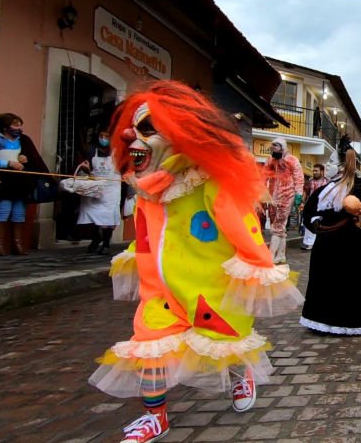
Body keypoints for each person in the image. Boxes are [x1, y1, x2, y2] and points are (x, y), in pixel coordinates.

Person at [89, 81, 303, 443]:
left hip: (212, 289)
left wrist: (258, 270)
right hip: (163, 292)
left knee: (225, 346)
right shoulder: (147, 190)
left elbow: (243, 230)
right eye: (132, 132)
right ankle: (154, 417)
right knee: (148, 347)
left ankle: (240, 376)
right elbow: (143, 237)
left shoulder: (210, 183)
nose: (132, 140)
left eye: (147, 130)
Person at [300, 139, 361, 335]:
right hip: (326, 248)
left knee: (349, 282)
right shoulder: (325, 191)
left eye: (330, 163)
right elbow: (309, 212)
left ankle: (349, 321)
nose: (327, 167)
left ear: (340, 166)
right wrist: (315, 223)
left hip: (352, 247)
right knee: (326, 283)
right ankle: (322, 320)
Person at [0, 112, 50, 256]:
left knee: (19, 213)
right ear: (5, 127)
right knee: (2, 211)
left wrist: (26, 159)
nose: (19, 128)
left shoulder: (24, 140)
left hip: (21, 181)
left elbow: (33, 158)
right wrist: (8, 163)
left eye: (20, 125)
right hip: (3, 180)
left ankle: (18, 244)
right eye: (15, 124)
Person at [77, 130, 122, 255]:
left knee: (108, 218)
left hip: (111, 189)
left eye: (106, 136)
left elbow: (125, 168)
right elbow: (86, 167)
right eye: (101, 136)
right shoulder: (91, 151)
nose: (103, 139)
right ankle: (96, 238)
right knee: (91, 214)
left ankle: (106, 244)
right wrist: (86, 169)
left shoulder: (117, 152)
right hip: (95, 187)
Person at [264, 137, 304, 264]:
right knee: (277, 226)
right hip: (272, 197)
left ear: (283, 147)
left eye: (276, 146)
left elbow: (299, 178)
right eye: (272, 146)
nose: (273, 149)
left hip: (287, 195)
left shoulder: (292, 160)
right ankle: (281, 255)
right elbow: (264, 175)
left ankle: (270, 256)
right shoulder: (271, 160)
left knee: (278, 225)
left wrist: (298, 195)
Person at [301, 163, 330, 250]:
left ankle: (317, 243)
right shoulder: (310, 182)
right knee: (309, 223)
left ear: (322, 171)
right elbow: (305, 193)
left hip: (323, 207)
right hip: (311, 206)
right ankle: (308, 243)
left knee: (319, 224)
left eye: (316, 171)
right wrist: (302, 202)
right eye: (313, 171)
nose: (314, 172)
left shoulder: (327, 182)